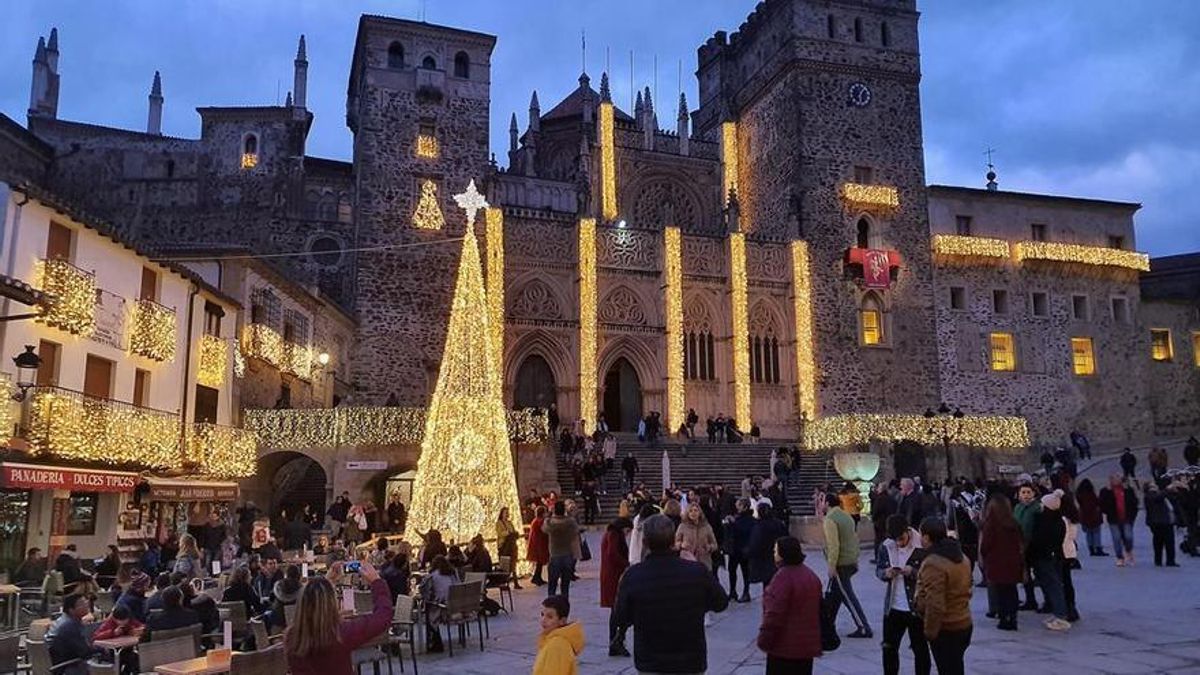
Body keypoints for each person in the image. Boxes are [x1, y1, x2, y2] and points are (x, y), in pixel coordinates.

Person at [613, 514, 730, 674]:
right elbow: (721, 602)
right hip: (690, 659)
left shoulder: (633, 576)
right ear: (673, 540)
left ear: (645, 542)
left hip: (651, 660)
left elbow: (621, 616)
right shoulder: (696, 572)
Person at [285, 560, 393, 675]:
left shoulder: (291, 636)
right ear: (331, 604)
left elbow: (315, 601)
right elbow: (383, 617)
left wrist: (328, 581)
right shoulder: (340, 633)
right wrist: (376, 582)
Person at [914, 517, 973, 675]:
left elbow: (935, 603)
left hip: (946, 626)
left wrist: (930, 632)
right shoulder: (961, 556)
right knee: (955, 667)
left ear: (926, 537)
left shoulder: (934, 563)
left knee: (947, 668)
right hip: (964, 621)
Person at [757, 536, 822, 675]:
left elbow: (774, 614)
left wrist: (764, 639)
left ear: (782, 555)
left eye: (775, 551)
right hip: (806, 647)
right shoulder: (810, 575)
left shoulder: (782, 578)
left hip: (784, 648)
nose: (774, 555)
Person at [876, 515, 930, 675]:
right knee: (889, 648)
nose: (899, 543)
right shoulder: (886, 547)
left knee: (920, 648)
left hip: (915, 606)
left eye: (902, 539)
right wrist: (886, 573)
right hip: (893, 606)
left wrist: (913, 572)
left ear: (907, 531)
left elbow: (931, 574)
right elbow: (878, 570)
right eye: (896, 541)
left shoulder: (921, 547)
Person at [823, 491, 872, 638]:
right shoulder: (846, 516)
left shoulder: (830, 519)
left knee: (847, 595)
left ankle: (864, 627)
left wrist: (831, 565)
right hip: (850, 560)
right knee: (835, 595)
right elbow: (853, 539)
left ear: (826, 503)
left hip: (841, 563)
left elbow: (833, 545)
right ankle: (827, 625)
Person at [979, 493, 1023, 631]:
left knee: (1001, 591)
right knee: (1011, 589)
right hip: (1013, 561)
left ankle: (1004, 618)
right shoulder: (1013, 523)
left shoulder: (991, 524)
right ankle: (1013, 617)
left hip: (996, 562)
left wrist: (984, 556)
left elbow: (986, 545)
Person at [1029, 490, 1070, 631]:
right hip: (1049, 556)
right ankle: (1057, 612)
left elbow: (1042, 540)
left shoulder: (1050, 522)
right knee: (1050, 584)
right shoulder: (1052, 520)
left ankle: (1061, 615)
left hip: (1047, 556)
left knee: (1054, 585)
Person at [599, 517, 632, 657]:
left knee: (617, 610)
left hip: (611, 574)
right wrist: (626, 564)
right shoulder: (614, 535)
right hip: (614, 576)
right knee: (618, 610)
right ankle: (615, 641)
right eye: (627, 530)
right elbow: (612, 554)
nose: (627, 533)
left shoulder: (611, 533)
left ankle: (616, 641)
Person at [47, 594, 99, 675]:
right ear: (71, 610)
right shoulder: (70, 626)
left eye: (85, 601)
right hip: (67, 667)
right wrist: (101, 648)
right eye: (81, 604)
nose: (86, 604)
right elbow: (84, 652)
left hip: (59, 663)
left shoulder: (66, 621)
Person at [532, 595, 584, 675]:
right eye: (542, 614)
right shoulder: (552, 640)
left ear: (562, 621)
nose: (543, 620)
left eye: (550, 617)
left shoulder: (557, 645)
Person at [418, 555, 458, 653]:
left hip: (444, 609)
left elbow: (425, 591)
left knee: (428, 611)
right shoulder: (453, 574)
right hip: (456, 606)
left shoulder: (433, 576)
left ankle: (435, 642)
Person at [1099, 474, 1139, 567]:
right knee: (1116, 538)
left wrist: (1133, 515)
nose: (1116, 480)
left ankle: (1128, 551)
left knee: (1128, 536)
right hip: (1113, 519)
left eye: (1117, 478)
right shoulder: (1106, 491)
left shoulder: (1128, 490)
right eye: (1113, 478)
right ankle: (1120, 557)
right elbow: (1102, 503)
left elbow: (1134, 502)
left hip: (1127, 518)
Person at [748, 502, 789, 594]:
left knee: (768, 585)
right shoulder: (779, 524)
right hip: (779, 557)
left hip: (765, 559)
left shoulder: (759, 526)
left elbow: (755, 544)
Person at [1012, 483, 1041, 610]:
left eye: (1029, 492)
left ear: (1034, 493)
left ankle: (1049, 600)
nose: (1026, 495)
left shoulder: (1037, 508)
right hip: (1020, 545)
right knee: (1025, 574)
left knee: (1040, 573)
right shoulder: (1017, 508)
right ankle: (1030, 599)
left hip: (1034, 545)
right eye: (1023, 492)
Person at [544, 502, 579, 599]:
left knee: (552, 583)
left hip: (555, 554)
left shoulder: (550, 522)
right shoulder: (570, 522)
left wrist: (549, 514)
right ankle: (564, 603)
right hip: (567, 553)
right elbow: (576, 531)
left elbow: (544, 528)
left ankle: (551, 603)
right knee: (565, 584)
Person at [725, 497, 755, 603]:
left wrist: (732, 524)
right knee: (732, 570)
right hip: (735, 549)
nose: (737, 507)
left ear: (745, 507)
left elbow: (743, 531)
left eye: (739, 505)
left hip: (743, 549)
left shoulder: (750, 520)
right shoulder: (738, 518)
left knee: (745, 571)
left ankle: (746, 592)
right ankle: (733, 591)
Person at [1145, 480, 1180, 567]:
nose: (1155, 487)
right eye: (1152, 486)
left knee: (1168, 542)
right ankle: (1159, 560)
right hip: (1158, 522)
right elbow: (1158, 497)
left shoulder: (1160, 494)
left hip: (1167, 521)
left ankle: (1169, 560)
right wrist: (1167, 489)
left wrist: (1174, 492)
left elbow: (1173, 500)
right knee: (1160, 542)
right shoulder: (1149, 495)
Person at [1075, 479, 1107, 556]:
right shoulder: (1092, 494)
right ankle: (1098, 548)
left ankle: (1091, 549)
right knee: (1096, 533)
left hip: (1085, 517)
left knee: (1089, 534)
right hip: (1094, 516)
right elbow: (1097, 503)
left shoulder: (1079, 495)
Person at [495, 507, 522, 588]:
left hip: (512, 547)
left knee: (513, 564)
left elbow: (513, 531)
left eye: (507, 512)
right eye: (505, 512)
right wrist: (508, 533)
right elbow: (500, 533)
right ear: (502, 514)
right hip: (504, 547)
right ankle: (504, 584)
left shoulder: (510, 523)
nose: (507, 514)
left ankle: (515, 582)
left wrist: (514, 533)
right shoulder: (499, 523)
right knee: (505, 565)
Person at [528, 506, 550, 586]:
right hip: (539, 544)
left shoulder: (536, 520)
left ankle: (537, 577)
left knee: (539, 563)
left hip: (538, 543)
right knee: (539, 562)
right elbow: (544, 531)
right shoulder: (539, 521)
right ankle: (536, 578)